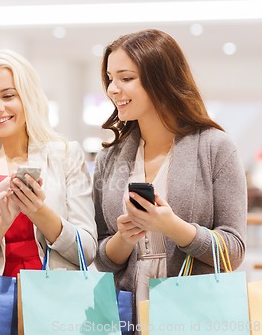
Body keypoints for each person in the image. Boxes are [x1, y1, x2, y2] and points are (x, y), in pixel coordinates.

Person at [92, 29, 246, 329]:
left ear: (159, 79)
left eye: (126, 78)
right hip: (125, 311)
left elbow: (234, 249)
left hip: (195, 310)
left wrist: (171, 226)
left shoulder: (215, 147)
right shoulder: (109, 159)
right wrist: (123, 239)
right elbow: (101, 255)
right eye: (110, 78)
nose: (113, 89)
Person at [0, 49, 97, 334]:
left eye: (8, 95)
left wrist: (39, 212)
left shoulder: (64, 155)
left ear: (27, 97)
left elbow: (86, 249)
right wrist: (2, 223)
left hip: (56, 309)